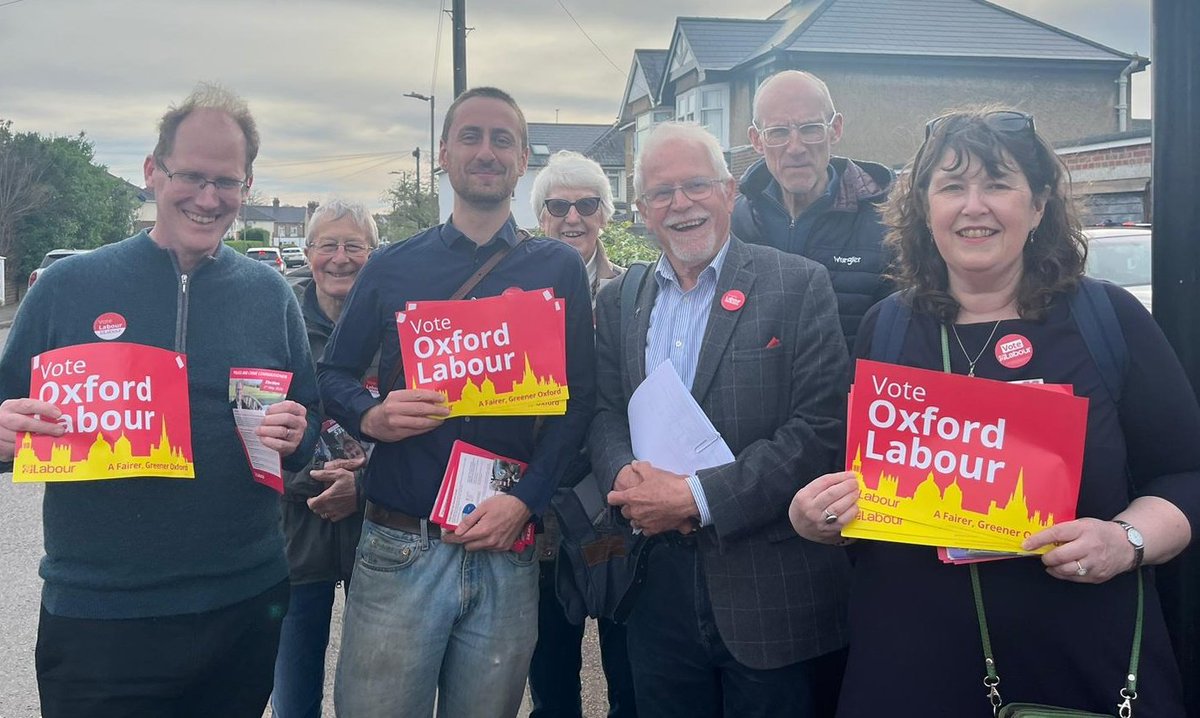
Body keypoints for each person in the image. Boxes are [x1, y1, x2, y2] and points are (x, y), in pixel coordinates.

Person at [788, 108, 1200, 716]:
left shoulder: (1106, 320)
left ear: (1038, 207)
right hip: (913, 671)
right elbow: (859, 483)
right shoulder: (889, 325)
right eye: (951, 186)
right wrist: (815, 513)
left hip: (1080, 667)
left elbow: (1186, 476)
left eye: (998, 184)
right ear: (924, 211)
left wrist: (1126, 539)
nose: (973, 206)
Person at [0, 83, 319, 718]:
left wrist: (296, 433)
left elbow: (306, 432)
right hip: (100, 614)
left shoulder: (270, 294)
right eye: (191, 176)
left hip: (243, 603)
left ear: (247, 185)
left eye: (226, 181)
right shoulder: (67, 287)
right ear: (152, 173)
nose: (208, 198)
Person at [318, 86, 596, 718]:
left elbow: (575, 405)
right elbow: (330, 373)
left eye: (503, 139)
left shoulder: (558, 269)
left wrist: (527, 502)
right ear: (444, 152)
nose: (486, 151)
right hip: (401, 542)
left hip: (505, 546)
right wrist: (370, 415)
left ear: (524, 158)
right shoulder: (392, 267)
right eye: (470, 136)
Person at [588, 121, 851, 717]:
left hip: (771, 592)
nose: (680, 204)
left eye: (697, 185)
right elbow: (605, 411)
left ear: (729, 191)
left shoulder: (798, 284)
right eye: (661, 193)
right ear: (641, 210)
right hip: (658, 591)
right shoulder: (620, 298)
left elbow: (820, 429)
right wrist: (627, 478)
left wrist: (696, 496)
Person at [527, 150, 636, 717]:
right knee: (549, 655)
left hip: (610, 502)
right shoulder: (511, 298)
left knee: (625, 649)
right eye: (558, 205)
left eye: (587, 204)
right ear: (539, 215)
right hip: (542, 501)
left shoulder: (633, 295)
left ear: (605, 213)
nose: (573, 217)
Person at [271, 199, 379, 718]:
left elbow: (426, 424)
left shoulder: (397, 327)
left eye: (354, 246)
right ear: (307, 252)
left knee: (376, 690)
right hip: (296, 530)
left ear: (372, 254)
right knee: (293, 694)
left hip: (379, 533)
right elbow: (251, 422)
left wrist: (363, 486)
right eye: (327, 245)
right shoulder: (276, 321)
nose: (340, 258)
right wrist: (312, 486)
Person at [732, 70, 893, 346]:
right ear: (757, 140)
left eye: (810, 129)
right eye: (778, 132)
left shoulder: (887, 222)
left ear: (836, 129)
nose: (796, 147)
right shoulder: (733, 223)